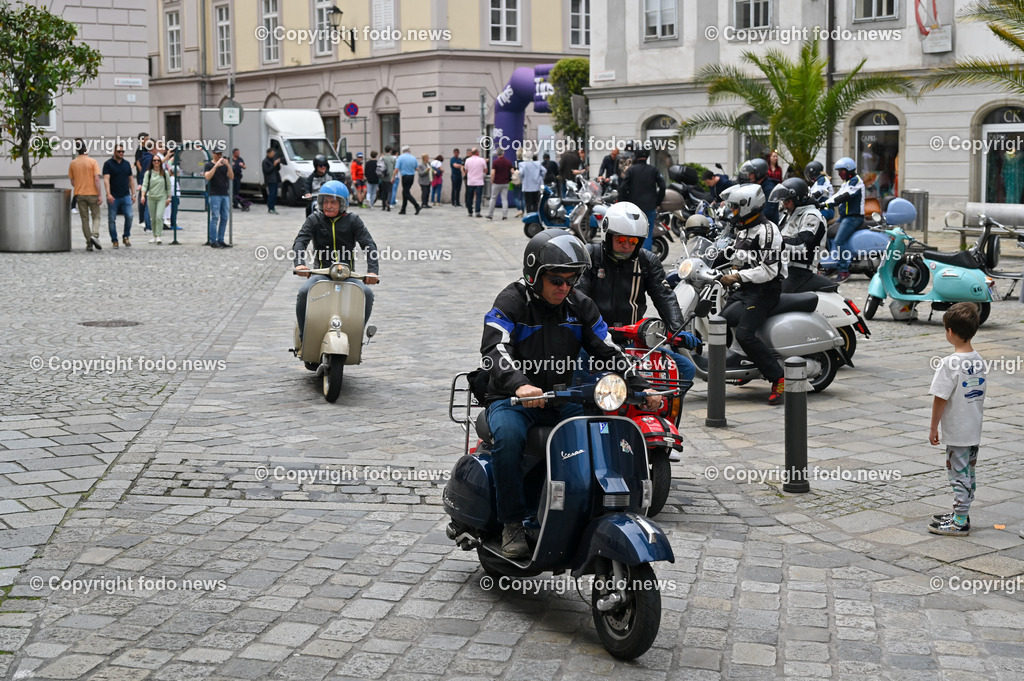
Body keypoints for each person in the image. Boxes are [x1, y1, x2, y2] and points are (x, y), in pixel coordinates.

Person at [480, 231, 660, 559]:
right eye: (556, 279)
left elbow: (607, 348)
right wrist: (519, 383)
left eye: (571, 279)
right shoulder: (512, 301)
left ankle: (580, 510)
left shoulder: (579, 305)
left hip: (561, 398)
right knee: (508, 438)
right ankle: (511, 523)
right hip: (512, 400)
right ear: (534, 275)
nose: (564, 287)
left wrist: (639, 385)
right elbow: (494, 348)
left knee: (596, 433)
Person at [576, 202, 700, 398]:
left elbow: (664, 296)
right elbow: (578, 297)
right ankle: (583, 412)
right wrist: (587, 330)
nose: (626, 246)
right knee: (575, 367)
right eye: (621, 239)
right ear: (608, 235)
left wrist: (678, 330)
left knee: (684, 368)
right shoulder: (591, 255)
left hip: (632, 340)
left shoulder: (647, 261)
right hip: (594, 341)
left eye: (633, 241)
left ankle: (653, 408)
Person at [715, 184, 787, 405]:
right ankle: (743, 365)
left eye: (735, 207)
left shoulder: (769, 231)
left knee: (746, 334)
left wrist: (737, 277)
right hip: (747, 289)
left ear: (749, 206)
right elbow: (737, 257)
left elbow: (769, 270)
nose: (732, 211)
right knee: (720, 322)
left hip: (765, 290)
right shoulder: (743, 227)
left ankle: (778, 377)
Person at [292, 181, 379, 342]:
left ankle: (356, 338)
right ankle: (305, 338)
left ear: (343, 203)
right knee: (304, 292)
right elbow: (300, 241)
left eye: (333, 202)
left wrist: (373, 271)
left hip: (348, 275)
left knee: (367, 294)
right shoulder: (314, 219)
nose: (328, 205)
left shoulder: (353, 220)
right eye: (325, 201)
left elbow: (369, 244)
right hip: (321, 274)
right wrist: (299, 263)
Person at [927, 303, 986, 536]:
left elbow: (940, 398)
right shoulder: (978, 359)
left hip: (958, 431)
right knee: (968, 473)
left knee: (958, 475)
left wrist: (933, 428)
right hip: (973, 429)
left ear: (950, 332)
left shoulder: (949, 363)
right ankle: (962, 512)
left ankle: (960, 520)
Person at [770, 178, 828, 293]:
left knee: (775, 299)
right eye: (783, 201)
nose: (785, 205)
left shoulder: (811, 216)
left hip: (799, 271)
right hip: (784, 267)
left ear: (798, 200)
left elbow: (801, 245)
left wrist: (774, 242)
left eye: (787, 201)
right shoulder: (791, 213)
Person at [824, 157, 865, 283]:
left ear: (848, 170)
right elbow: (837, 195)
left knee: (839, 240)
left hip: (854, 217)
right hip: (844, 217)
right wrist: (823, 203)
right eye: (838, 172)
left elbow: (844, 196)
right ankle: (834, 264)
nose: (839, 174)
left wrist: (828, 204)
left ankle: (844, 270)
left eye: (841, 172)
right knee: (829, 234)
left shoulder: (855, 181)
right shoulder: (846, 182)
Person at [618, 149, 665, 251]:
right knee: (647, 233)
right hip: (649, 206)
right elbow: (662, 186)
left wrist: (624, 202)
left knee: (633, 232)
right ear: (648, 157)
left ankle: (633, 256)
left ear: (635, 156)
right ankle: (646, 259)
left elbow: (622, 188)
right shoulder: (653, 170)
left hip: (633, 208)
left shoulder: (631, 170)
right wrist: (658, 202)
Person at [68, 139, 104, 251]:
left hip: (79, 194)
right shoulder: (92, 162)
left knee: (84, 219)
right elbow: (97, 179)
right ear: (86, 150)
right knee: (96, 216)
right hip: (92, 193)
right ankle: (95, 235)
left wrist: (80, 184)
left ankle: (89, 243)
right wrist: (100, 195)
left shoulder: (73, 163)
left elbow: (72, 182)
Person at [103, 144, 136, 248]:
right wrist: (108, 194)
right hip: (113, 196)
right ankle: (114, 240)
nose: (121, 153)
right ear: (114, 152)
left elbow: (131, 179)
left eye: (123, 151)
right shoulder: (108, 164)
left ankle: (126, 236)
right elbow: (106, 180)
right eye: (119, 151)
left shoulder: (126, 164)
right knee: (112, 219)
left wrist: (133, 193)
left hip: (126, 195)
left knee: (129, 216)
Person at [204, 148, 233, 248]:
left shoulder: (224, 165)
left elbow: (231, 176)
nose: (219, 156)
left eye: (220, 154)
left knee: (224, 217)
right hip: (214, 194)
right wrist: (215, 166)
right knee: (215, 217)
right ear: (213, 154)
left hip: (224, 194)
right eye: (217, 154)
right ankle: (213, 240)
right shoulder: (208, 165)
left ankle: (221, 240)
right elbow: (207, 177)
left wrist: (228, 165)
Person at [140, 154, 172, 244]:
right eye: (154, 160)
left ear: (160, 162)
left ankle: (158, 235)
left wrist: (169, 198)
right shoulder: (148, 173)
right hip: (151, 197)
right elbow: (145, 185)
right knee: (153, 218)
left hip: (162, 197)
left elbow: (169, 186)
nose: (156, 162)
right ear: (152, 162)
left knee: (159, 216)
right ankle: (154, 235)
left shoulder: (165, 173)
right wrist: (142, 196)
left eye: (158, 160)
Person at [739, 157, 779, 225]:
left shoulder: (769, 188)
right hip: (758, 224)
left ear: (758, 173)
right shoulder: (756, 186)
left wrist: (750, 219)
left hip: (767, 227)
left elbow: (768, 212)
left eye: (751, 173)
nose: (748, 176)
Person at [393, 145, 421, 215]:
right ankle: (403, 209)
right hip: (412, 176)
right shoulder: (413, 158)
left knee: (406, 193)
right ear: (408, 150)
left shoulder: (400, 158)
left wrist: (393, 177)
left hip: (405, 176)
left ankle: (416, 205)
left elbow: (396, 169)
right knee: (405, 191)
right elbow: (417, 168)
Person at [488, 152, 514, 220]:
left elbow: (493, 173)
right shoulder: (508, 162)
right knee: (504, 199)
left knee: (493, 198)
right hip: (505, 183)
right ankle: (505, 215)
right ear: (503, 153)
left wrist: (492, 181)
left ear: (497, 154)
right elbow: (512, 171)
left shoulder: (495, 162)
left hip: (496, 183)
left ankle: (490, 215)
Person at [135, 133, 153, 232]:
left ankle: (143, 219)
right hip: (142, 177)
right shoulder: (140, 150)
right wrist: (144, 173)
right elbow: (138, 163)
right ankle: (142, 219)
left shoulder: (145, 150)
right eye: (146, 139)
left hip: (143, 176)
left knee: (143, 197)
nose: (147, 140)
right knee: (143, 197)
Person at [464, 147, 487, 218]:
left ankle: (470, 211)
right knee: (478, 197)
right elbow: (485, 170)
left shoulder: (467, 160)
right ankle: (477, 212)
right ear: (477, 153)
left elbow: (466, 170)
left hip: (470, 181)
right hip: (479, 182)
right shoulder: (482, 160)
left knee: (469, 197)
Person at [263, 148, 282, 214]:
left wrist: (277, 164)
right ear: (268, 153)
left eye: (273, 153)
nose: (273, 155)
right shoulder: (265, 161)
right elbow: (267, 171)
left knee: (275, 195)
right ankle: (270, 207)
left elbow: (278, 169)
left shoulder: (273, 160)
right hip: (270, 180)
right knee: (271, 194)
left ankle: (273, 207)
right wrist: (273, 165)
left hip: (275, 179)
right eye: (272, 153)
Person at [377, 146, 395, 212]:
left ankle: (383, 206)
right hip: (390, 177)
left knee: (383, 191)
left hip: (383, 177)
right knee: (390, 191)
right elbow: (394, 167)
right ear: (390, 150)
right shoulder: (392, 158)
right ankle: (388, 202)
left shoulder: (382, 157)